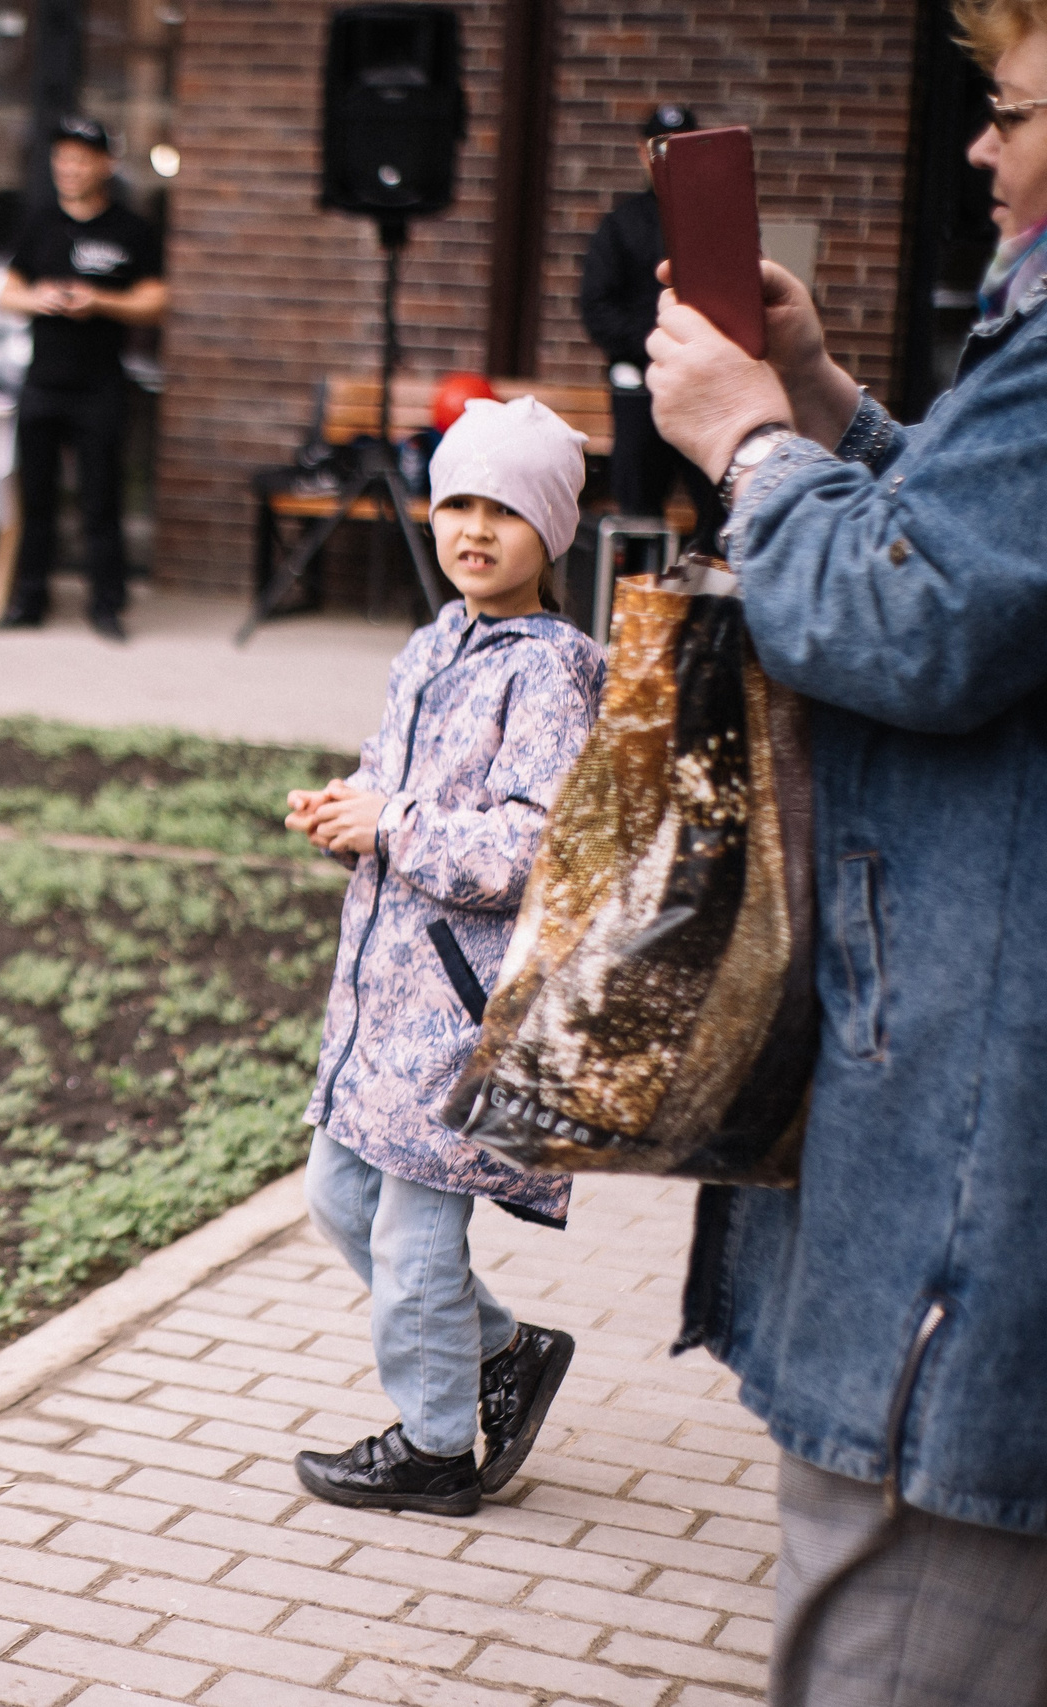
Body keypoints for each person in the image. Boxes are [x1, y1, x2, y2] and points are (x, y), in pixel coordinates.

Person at [645, 2, 1047, 1697]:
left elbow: (917, 618)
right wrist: (826, 408)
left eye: (1011, 107)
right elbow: (991, 553)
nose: (979, 143)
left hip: (980, 1144)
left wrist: (748, 444)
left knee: (892, 1614)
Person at [283, 396, 606, 1516]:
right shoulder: (432, 646)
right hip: (386, 997)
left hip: (469, 1008)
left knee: (415, 1231)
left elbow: (533, 844)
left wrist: (395, 827)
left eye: (504, 510)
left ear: (549, 532)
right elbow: (393, 788)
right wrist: (347, 812)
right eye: (457, 501)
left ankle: (432, 1449)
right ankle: (505, 1351)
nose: (474, 529)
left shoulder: (553, 668)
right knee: (337, 1197)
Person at [0, 115, 167, 640]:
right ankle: (28, 601)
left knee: (101, 498)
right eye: (61, 158)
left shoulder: (131, 229)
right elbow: (5, 291)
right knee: (36, 497)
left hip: (101, 385)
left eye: (80, 159)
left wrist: (100, 302)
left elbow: (155, 301)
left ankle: (107, 605)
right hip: (42, 381)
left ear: (106, 165)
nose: (68, 168)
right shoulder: (38, 222)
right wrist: (38, 299)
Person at [579, 102, 723, 553]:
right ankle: (643, 613)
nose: (667, 160)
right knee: (638, 508)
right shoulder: (620, 226)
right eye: (658, 149)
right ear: (642, 155)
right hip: (640, 390)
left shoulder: (716, 224)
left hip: (704, 391)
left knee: (718, 509)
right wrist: (657, 344)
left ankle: (707, 615)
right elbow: (597, 307)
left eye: (679, 149)